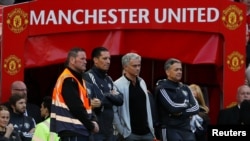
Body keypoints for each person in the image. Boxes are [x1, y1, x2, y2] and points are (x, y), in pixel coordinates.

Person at [50, 47, 99, 141]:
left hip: (77, 130)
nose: (85, 61)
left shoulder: (77, 79)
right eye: (82, 59)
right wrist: (91, 125)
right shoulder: (68, 79)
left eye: (85, 59)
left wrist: (93, 120)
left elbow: (86, 105)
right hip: (73, 130)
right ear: (72, 60)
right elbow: (76, 107)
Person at [83, 46, 123, 141]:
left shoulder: (108, 79)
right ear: (95, 60)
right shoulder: (88, 76)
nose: (108, 61)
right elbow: (93, 100)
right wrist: (110, 96)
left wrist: (105, 97)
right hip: (96, 132)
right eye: (105, 58)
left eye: (109, 59)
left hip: (109, 132)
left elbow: (120, 99)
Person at [113, 53, 156, 141]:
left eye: (139, 65)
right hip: (130, 134)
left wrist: (151, 130)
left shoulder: (142, 82)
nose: (137, 68)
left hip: (147, 132)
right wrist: (123, 131)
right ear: (125, 67)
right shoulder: (117, 85)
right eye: (134, 66)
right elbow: (114, 111)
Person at [154, 58, 199, 141]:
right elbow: (172, 107)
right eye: (176, 70)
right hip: (169, 129)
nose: (179, 72)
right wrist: (187, 104)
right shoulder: (162, 88)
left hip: (186, 129)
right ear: (167, 72)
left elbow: (196, 107)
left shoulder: (186, 88)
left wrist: (180, 113)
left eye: (180, 69)